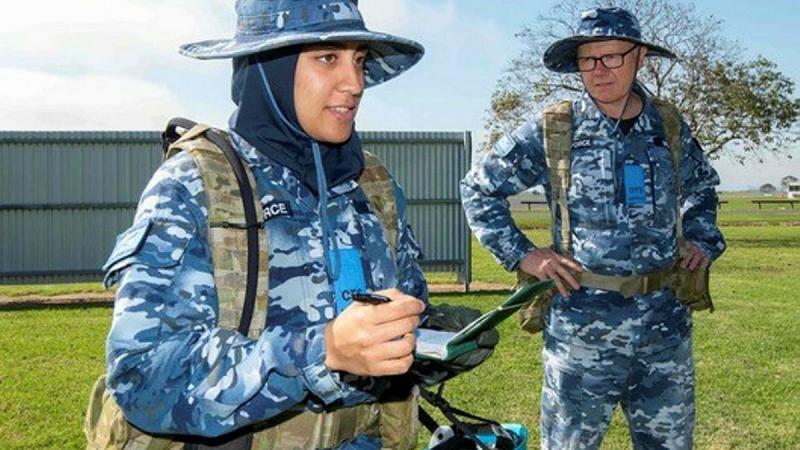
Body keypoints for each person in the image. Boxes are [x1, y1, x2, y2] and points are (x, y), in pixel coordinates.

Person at [85, 1, 495, 449]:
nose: (355, 82)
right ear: (269, 68)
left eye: (359, 60)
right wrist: (322, 352)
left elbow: (394, 319)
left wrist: (435, 339)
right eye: (327, 58)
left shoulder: (373, 187)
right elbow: (143, 377)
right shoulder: (197, 185)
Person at [461, 7, 725, 450]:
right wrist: (523, 254)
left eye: (612, 58)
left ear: (639, 56)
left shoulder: (669, 126)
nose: (599, 71)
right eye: (588, 60)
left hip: (664, 330)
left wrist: (700, 236)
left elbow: (703, 188)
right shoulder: (554, 128)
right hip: (581, 334)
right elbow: (478, 189)